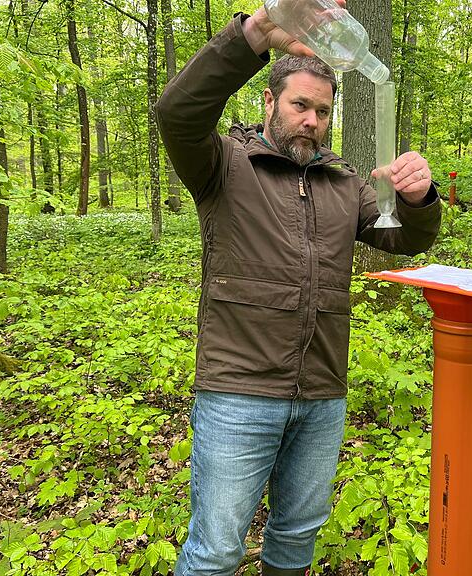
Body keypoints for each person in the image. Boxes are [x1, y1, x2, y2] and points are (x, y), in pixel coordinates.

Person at [155, 3, 441, 574]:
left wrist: (416, 199)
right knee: (216, 549)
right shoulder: (226, 166)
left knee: (295, 539)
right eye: (300, 106)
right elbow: (178, 113)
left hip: (321, 394)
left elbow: (404, 241)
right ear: (269, 103)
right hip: (239, 390)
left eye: (323, 111)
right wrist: (254, 33)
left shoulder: (345, 184)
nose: (311, 120)